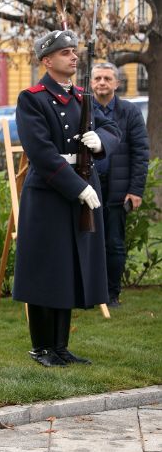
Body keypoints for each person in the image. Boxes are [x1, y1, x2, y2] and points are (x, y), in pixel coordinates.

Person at [13, 29, 119, 368]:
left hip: (81, 189)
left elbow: (113, 129)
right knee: (46, 269)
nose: (74, 57)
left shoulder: (81, 97)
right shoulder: (32, 98)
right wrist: (77, 188)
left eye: (74, 52)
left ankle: (60, 347)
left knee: (68, 270)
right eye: (65, 53)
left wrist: (100, 140)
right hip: (50, 193)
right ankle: (41, 348)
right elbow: (41, 153)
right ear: (47, 60)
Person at [90, 62, 149, 308]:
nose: (102, 82)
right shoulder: (82, 111)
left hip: (118, 190)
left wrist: (135, 190)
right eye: (98, 78)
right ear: (91, 83)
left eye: (107, 78)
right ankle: (89, 294)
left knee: (114, 244)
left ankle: (111, 295)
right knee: (87, 242)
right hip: (88, 188)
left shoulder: (130, 113)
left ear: (116, 83)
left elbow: (141, 152)